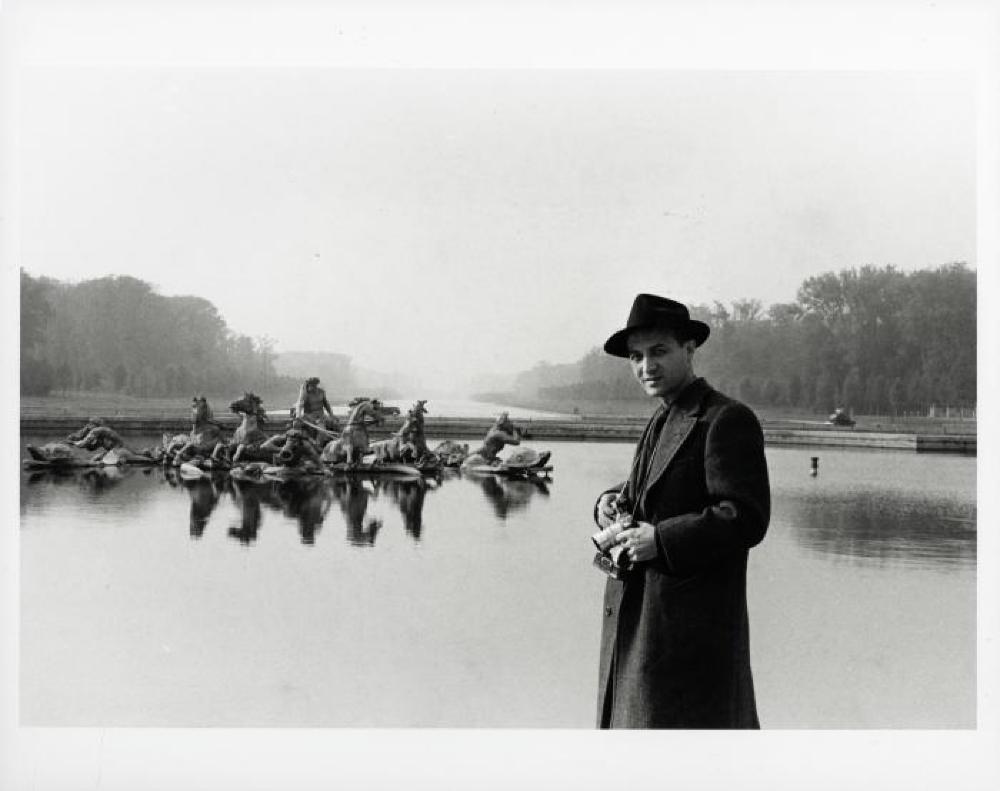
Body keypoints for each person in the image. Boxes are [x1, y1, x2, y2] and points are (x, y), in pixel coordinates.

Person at [592, 293, 770, 729]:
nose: (646, 367)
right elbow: (654, 486)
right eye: (636, 357)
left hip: (689, 638)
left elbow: (745, 516)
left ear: (689, 350)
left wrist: (662, 540)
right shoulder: (664, 415)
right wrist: (609, 502)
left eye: (659, 352)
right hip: (643, 628)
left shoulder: (725, 419)